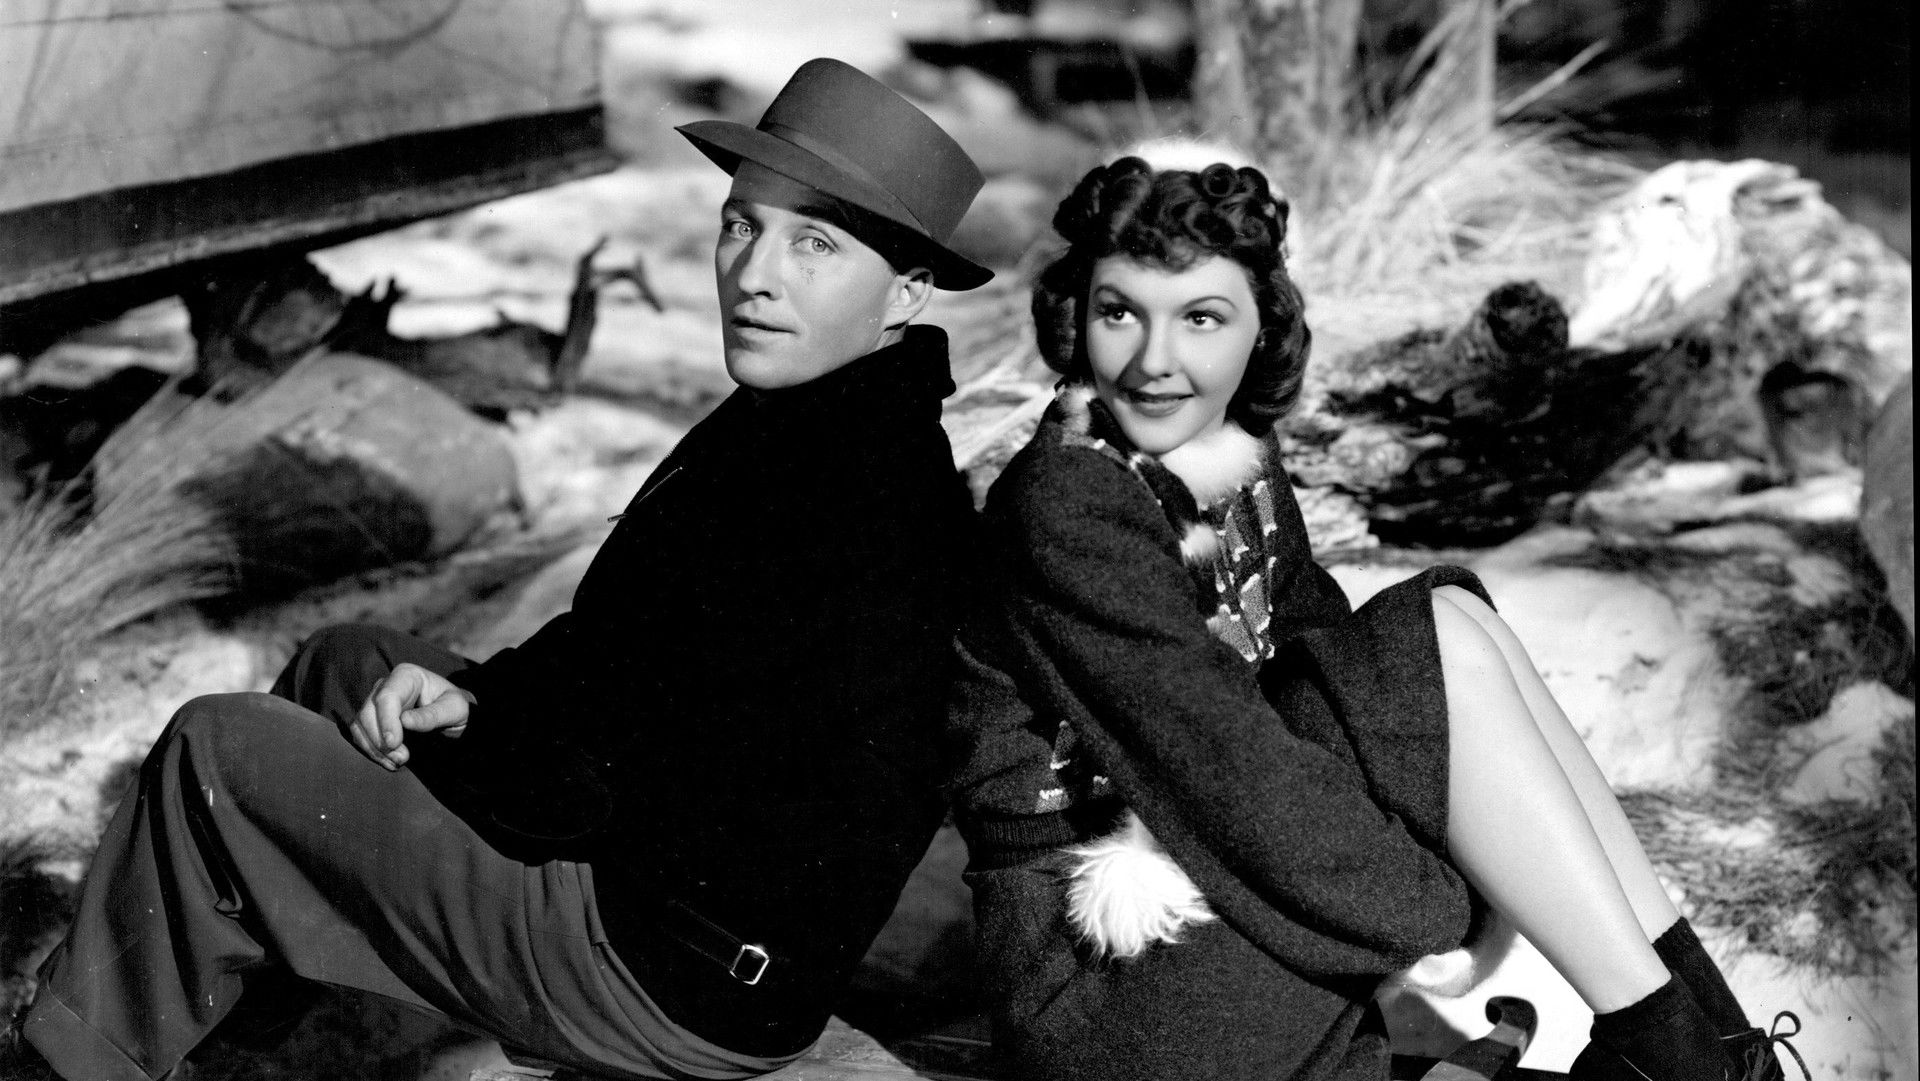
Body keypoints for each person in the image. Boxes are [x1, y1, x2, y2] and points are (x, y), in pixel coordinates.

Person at [6, 58, 989, 1081]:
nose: (755, 274)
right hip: (678, 916)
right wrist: (482, 703)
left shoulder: (847, 491)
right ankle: (220, 1048)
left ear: (908, 291)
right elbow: (622, 654)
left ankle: (67, 1068)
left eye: (815, 244)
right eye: (741, 225)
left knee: (215, 751)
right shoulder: (817, 417)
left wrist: (484, 738)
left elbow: (616, 771)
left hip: (662, 966)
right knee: (347, 666)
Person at [945, 153, 1805, 1081]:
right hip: (1112, 986)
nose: (1154, 361)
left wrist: (1443, 806)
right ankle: (1675, 1054)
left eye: (1200, 318)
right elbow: (1220, 759)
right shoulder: (1069, 503)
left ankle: (1709, 1045)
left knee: (1448, 626)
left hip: (1213, 909)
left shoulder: (1221, 452)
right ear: (1077, 318)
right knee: (1438, 655)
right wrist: (1434, 900)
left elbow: (1319, 651)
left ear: (1260, 330)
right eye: (1120, 313)